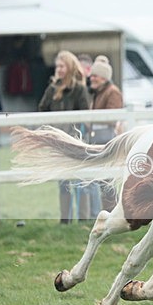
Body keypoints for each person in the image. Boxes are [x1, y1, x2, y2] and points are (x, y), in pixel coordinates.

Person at [39, 50, 91, 224]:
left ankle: (83, 219)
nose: (59, 69)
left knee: (79, 182)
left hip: (75, 141)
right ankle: (65, 220)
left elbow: (86, 116)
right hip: (58, 141)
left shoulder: (79, 89)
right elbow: (42, 109)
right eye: (57, 66)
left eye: (62, 66)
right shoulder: (52, 88)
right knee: (63, 182)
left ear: (69, 67)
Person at [88, 55, 124, 212]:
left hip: (106, 137)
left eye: (95, 75)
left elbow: (113, 117)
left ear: (103, 77)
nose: (92, 78)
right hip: (98, 137)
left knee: (106, 179)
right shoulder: (100, 92)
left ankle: (110, 210)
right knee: (101, 178)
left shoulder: (112, 92)